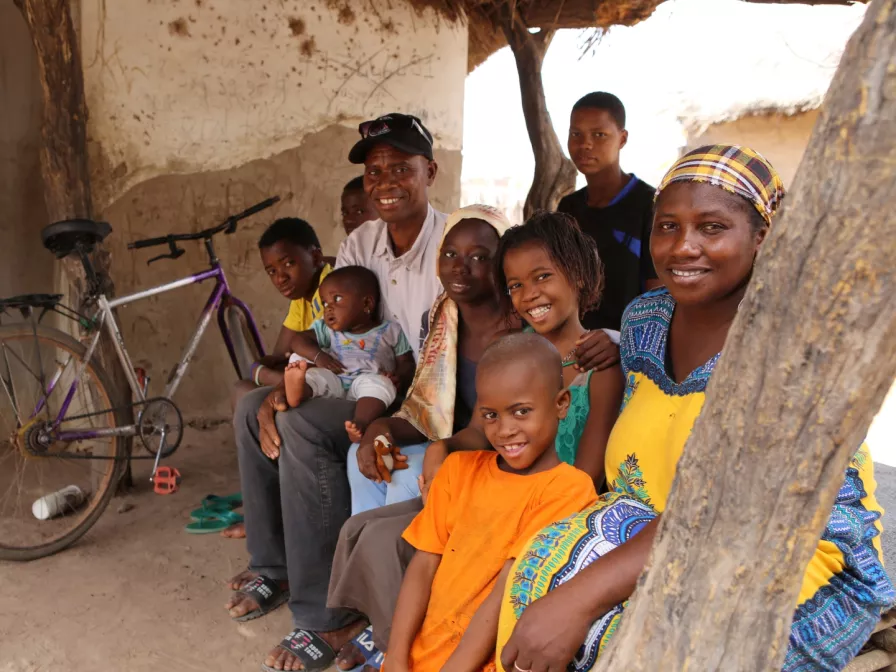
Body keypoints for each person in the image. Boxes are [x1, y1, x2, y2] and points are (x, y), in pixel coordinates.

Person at [496, 145, 896, 672]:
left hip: (779, 546)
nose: (683, 247)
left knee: (662, 643)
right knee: (532, 568)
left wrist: (580, 597)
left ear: (763, 237)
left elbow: (724, 511)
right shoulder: (645, 319)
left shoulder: (788, 350)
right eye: (667, 226)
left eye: (711, 227)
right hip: (646, 521)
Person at [328, 208, 624, 671]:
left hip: (546, 505)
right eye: (516, 286)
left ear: (579, 277)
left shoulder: (600, 361)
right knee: (366, 531)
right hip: (492, 482)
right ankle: (397, 644)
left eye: (543, 277)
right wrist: (445, 449)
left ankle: (413, 646)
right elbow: (483, 426)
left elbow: (586, 476)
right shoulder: (513, 347)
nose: (529, 296)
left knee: (395, 541)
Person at [228, 112, 451, 672]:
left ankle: (325, 616)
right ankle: (274, 564)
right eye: (375, 172)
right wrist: (283, 386)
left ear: (430, 171)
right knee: (251, 407)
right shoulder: (362, 240)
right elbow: (331, 328)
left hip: (417, 396)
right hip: (359, 382)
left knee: (303, 426)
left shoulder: (452, 241)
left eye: (401, 167)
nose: (385, 182)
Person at [385, 333, 597, 672]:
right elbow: (423, 565)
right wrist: (395, 657)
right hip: (420, 657)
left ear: (561, 404)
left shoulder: (568, 490)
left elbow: (506, 591)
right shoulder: (458, 471)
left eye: (521, 411)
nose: (505, 430)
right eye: (490, 415)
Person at [224, 217, 332, 540]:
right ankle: (264, 512)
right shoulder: (302, 298)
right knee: (243, 391)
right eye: (271, 271)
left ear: (315, 256)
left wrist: (267, 373)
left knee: (252, 397)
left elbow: (303, 365)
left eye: (288, 264)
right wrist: (267, 373)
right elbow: (276, 355)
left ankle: (269, 517)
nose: (280, 277)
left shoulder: (332, 288)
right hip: (302, 379)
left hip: (329, 386)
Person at [558, 92, 662, 331]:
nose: (585, 144)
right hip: (575, 346)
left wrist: (620, 342)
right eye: (576, 134)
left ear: (622, 139)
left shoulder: (650, 205)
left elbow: (659, 296)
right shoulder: (568, 208)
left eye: (599, 134)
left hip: (629, 348)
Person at [282, 266, 415, 442]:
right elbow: (298, 340)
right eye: (324, 302)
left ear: (367, 303)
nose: (328, 308)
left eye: (336, 299)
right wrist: (319, 357)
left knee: (382, 384)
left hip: (366, 385)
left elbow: (406, 362)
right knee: (312, 372)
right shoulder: (325, 330)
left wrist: (399, 378)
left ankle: (359, 423)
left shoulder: (390, 331)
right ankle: (298, 391)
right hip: (334, 379)